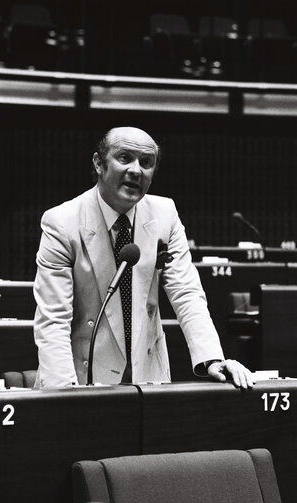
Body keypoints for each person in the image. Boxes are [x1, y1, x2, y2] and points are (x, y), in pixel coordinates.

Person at [33, 126, 255, 389]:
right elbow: (54, 320)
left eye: (146, 162)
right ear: (98, 163)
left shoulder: (165, 213)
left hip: (149, 376)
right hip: (81, 378)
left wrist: (212, 359)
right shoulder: (62, 222)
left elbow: (186, 293)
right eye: (125, 158)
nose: (136, 170)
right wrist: (64, 394)